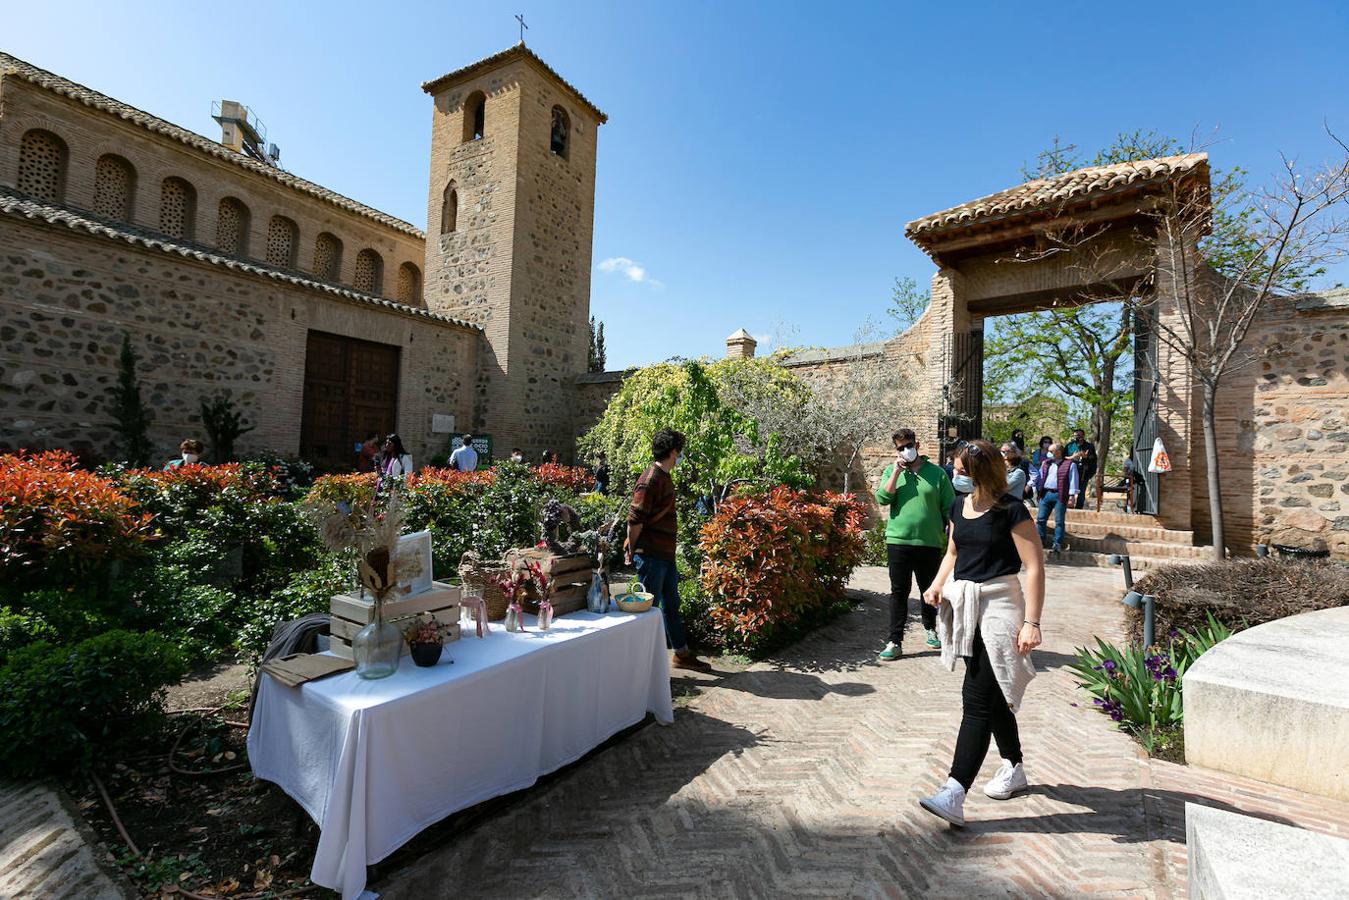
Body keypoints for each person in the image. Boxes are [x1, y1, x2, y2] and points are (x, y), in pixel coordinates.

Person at [917, 438, 1045, 827]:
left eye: (958, 468)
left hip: (1001, 608)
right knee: (992, 696)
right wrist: (938, 584)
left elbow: (1035, 567)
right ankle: (1014, 765)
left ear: (978, 470)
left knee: (975, 699)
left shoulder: (1011, 510)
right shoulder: (959, 505)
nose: (953, 473)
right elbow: (954, 553)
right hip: (967, 607)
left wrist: (1032, 622)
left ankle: (954, 791)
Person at [625, 428, 710, 671]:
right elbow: (635, 519)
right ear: (673, 452)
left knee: (672, 605)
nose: (679, 457)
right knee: (648, 611)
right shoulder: (650, 479)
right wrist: (631, 550)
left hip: (664, 556)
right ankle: (641, 666)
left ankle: (681, 654)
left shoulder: (663, 476)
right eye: (679, 452)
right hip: (651, 556)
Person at [874, 428, 955, 660]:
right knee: (899, 592)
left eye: (908, 446)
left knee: (928, 589)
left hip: (929, 541)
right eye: (900, 448)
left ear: (917, 445)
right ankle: (894, 640)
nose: (905, 451)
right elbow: (882, 497)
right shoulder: (892, 470)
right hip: (898, 540)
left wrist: (952, 538)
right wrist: (896, 474)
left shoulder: (937, 473)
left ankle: (930, 629)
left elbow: (950, 508)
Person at [1035, 443, 1078, 552]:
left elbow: (1073, 481)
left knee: (1059, 521)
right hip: (1045, 494)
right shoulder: (1046, 463)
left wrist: (1072, 496)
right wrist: (1037, 491)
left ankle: (1057, 543)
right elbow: (1040, 477)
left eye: (1050, 451)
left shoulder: (1070, 464)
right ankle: (1040, 541)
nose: (1048, 453)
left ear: (1058, 452)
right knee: (1040, 519)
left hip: (1060, 494)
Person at [1065, 427, 1098, 509]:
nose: (1077, 437)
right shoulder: (1069, 446)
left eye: (1079, 435)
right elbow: (1063, 457)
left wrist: (1086, 457)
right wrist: (1072, 457)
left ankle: (1078, 508)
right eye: (1076, 435)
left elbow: (1094, 459)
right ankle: (1068, 507)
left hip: (1083, 472)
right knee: (1069, 490)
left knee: (1081, 491)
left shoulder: (1089, 446)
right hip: (1070, 472)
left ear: (1083, 436)